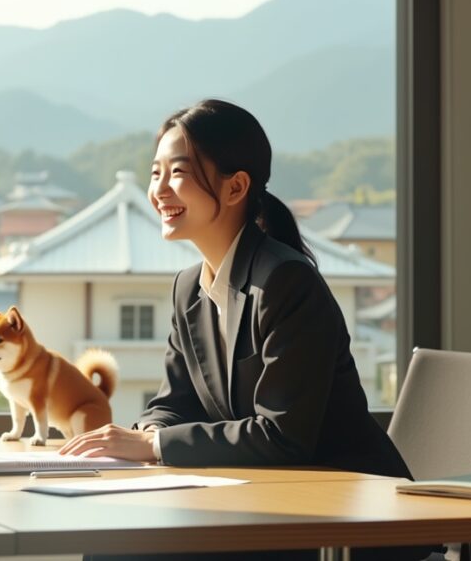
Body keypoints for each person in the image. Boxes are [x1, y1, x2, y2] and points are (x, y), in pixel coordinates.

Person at [60, 99, 438, 561]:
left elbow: (283, 435)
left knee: (122, 551)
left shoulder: (286, 282)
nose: (159, 190)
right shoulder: (188, 289)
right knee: (113, 542)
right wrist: (140, 438)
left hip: (347, 516)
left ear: (236, 186)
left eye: (177, 173)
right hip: (264, 504)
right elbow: (173, 403)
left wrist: (152, 444)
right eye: (155, 173)